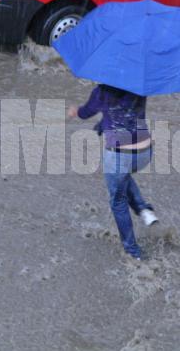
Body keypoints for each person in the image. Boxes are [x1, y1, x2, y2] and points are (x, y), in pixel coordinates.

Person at [68, 84, 158, 260]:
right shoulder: (140, 86)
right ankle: (144, 210)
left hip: (120, 155)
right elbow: (126, 112)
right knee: (123, 176)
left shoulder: (101, 91)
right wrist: (105, 121)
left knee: (118, 202)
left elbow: (85, 112)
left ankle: (133, 253)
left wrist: (74, 111)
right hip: (145, 152)